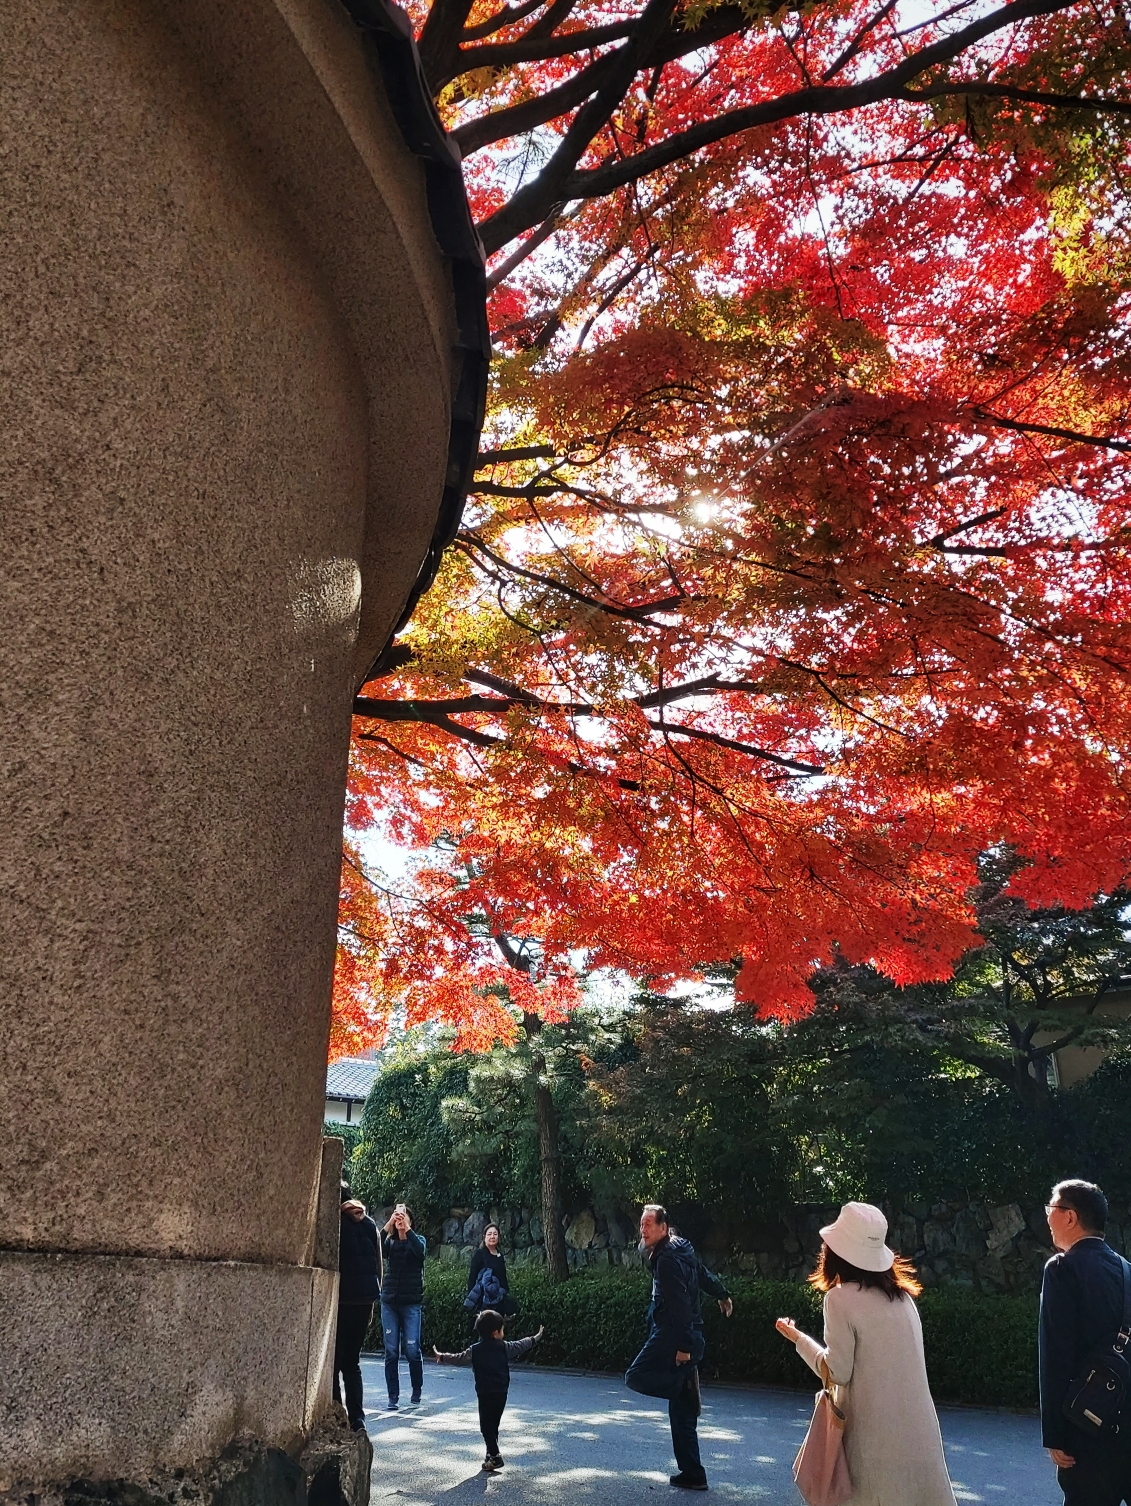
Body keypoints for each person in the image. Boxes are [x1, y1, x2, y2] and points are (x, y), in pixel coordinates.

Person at [775, 1201, 956, 1506]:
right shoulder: (902, 1298)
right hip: (919, 1434)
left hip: (874, 1439)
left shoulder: (840, 1299)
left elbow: (838, 1372)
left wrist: (798, 1339)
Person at [1039, 1179, 1131, 1506]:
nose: (1047, 1217)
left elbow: (1055, 1355)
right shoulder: (1127, 1271)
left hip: (1086, 1428)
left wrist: (1055, 1434)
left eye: (1051, 1208)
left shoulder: (1063, 1269)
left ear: (1070, 1217)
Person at [625, 1204, 708, 1492]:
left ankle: (680, 1385)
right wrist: (722, 1293)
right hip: (687, 1333)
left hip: (675, 1335)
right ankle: (693, 1472)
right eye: (641, 1225)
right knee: (681, 1413)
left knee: (635, 1376)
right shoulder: (681, 1249)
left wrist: (683, 1348)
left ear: (663, 1228)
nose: (643, 1230)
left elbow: (680, 1306)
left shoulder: (667, 1260)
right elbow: (702, 1274)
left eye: (649, 1225)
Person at [434, 1309, 544, 1472]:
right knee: (493, 1426)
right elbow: (522, 1344)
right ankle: (490, 1456)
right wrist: (536, 1337)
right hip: (501, 1392)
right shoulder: (505, 1347)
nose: (503, 1333)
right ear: (495, 1333)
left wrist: (442, 1356)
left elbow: (459, 1358)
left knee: (486, 1427)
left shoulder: (475, 1350)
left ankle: (495, 1456)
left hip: (485, 1393)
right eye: (502, 1330)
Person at [334, 1183, 382, 1432]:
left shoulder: (335, 1224)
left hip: (341, 1300)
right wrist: (374, 1301)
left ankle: (335, 1415)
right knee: (352, 1362)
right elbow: (378, 1265)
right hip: (365, 1299)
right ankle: (358, 1418)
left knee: (332, 1363)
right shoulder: (370, 1223)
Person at [380, 1202, 427, 1409]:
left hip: (411, 1304)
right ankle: (393, 1396)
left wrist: (406, 1229)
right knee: (391, 1351)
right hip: (389, 1302)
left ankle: (416, 1390)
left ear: (410, 1221)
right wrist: (389, 1223)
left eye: (403, 1216)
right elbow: (376, 1247)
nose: (400, 1219)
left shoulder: (418, 1240)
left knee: (412, 1350)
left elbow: (420, 1252)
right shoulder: (389, 1243)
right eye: (397, 1215)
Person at [466, 1222, 519, 1320]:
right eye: (489, 1234)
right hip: (483, 1301)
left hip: (498, 1299)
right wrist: (472, 1300)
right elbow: (472, 1277)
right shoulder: (479, 1254)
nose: (492, 1237)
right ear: (484, 1237)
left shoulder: (500, 1255)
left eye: (495, 1234)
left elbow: (503, 1277)